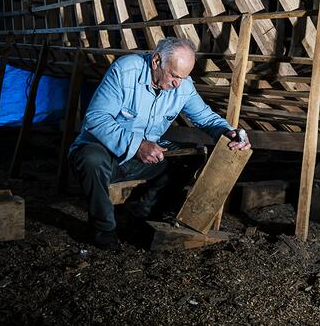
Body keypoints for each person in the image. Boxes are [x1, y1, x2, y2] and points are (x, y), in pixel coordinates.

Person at [68, 36, 251, 250]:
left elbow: (206, 118)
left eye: (183, 77)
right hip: (107, 153)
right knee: (91, 159)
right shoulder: (125, 71)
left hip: (143, 159)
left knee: (188, 159)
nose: (177, 84)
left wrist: (229, 132)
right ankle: (104, 229)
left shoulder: (182, 85)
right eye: (174, 75)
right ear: (156, 61)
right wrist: (137, 145)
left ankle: (142, 215)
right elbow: (96, 118)